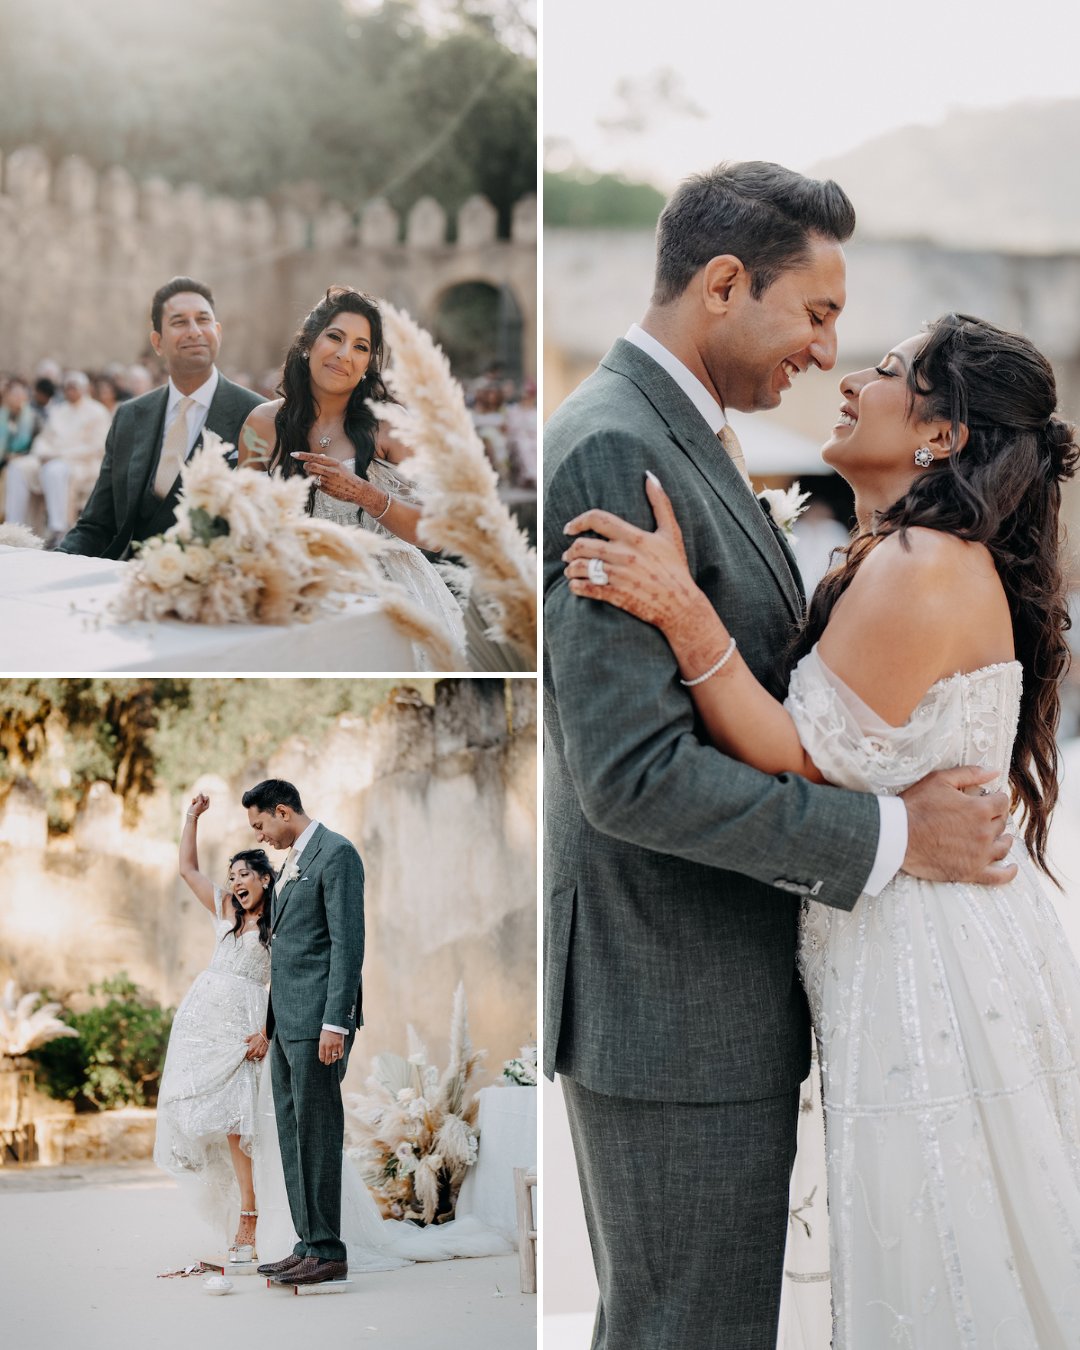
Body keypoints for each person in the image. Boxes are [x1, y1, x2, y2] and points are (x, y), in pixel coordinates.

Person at [543, 162, 1017, 1350]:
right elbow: (631, 778)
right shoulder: (614, 446)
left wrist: (703, 629)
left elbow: (783, 709)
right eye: (814, 313)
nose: (825, 351)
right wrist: (900, 834)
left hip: (729, 995)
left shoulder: (690, 439)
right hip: (673, 1001)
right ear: (720, 285)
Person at [237, 286, 465, 667]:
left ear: (367, 367)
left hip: (383, 595)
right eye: (335, 337)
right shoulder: (260, 424)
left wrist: (366, 495)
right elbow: (240, 522)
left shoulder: (390, 427)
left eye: (361, 347)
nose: (345, 354)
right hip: (289, 589)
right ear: (308, 343)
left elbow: (438, 533)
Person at [241, 778, 364, 1287]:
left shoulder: (337, 855)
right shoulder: (293, 860)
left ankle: (329, 1251)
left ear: (284, 811)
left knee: (317, 1133)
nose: (261, 836)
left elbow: (347, 943)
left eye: (261, 824)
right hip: (287, 1024)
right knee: (293, 1134)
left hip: (319, 1024)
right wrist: (268, 1025)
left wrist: (335, 1022)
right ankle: (308, 1243)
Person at [57, 277, 262, 558]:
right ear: (157, 342)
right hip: (127, 576)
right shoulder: (129, 416)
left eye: (203, 320)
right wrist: (55, 561)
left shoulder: (258, 415)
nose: (194, 331)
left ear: (218, 332)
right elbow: (96, 524)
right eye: (179, 322)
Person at [153, 793, 274, 1261]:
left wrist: (267, 1030)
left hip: (243, 1024)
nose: (236, 881)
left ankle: (251, 1216)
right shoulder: (226, 909)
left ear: (265, 878)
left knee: (240, 1117)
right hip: (201, 1024)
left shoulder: (279, 924)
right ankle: (230, 1205)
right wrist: (191, 817)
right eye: (233, 875)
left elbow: (284, 982)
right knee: (204, 1111)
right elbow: (187, 869)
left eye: (245, 874)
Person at [4, 371, 111, 546]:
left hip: (80, 463)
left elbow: (97, 446)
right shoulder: (59, 410)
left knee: (55, 470)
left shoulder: (97, 412)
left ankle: (58, 530)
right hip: (49, 457)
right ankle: (15, 527)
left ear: (84, 389)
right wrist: (43, 453)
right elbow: (43, 438)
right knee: (18, 467)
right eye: (67, 387)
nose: (70, 391)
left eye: (74, 387)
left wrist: (59, 455)